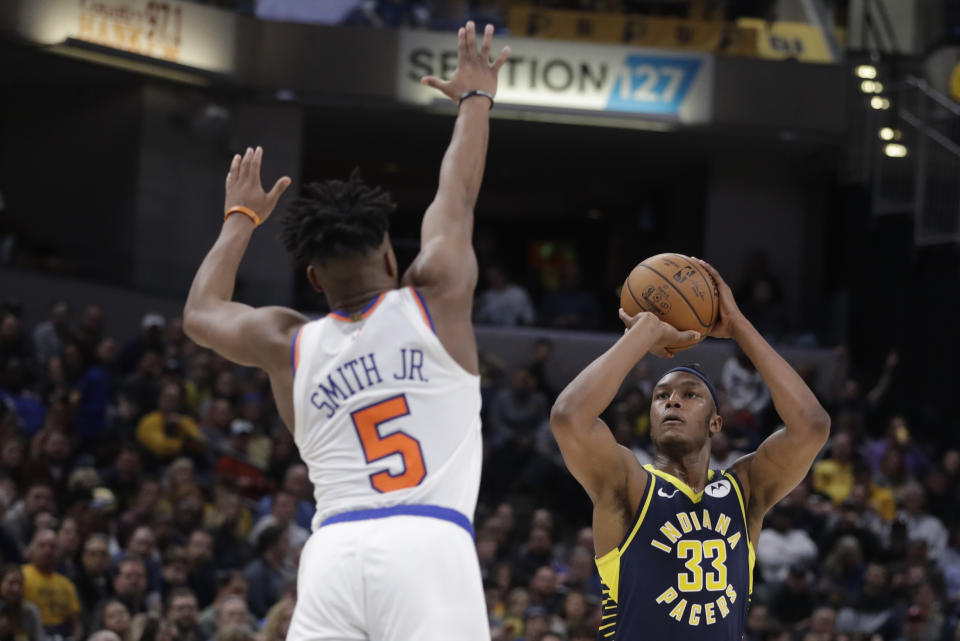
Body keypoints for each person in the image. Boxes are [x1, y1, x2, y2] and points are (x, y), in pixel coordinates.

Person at [181, 20, 509, 641]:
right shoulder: (434, 297)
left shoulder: (288, 343)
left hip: (331, 552)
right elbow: (456, 195)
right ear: (391, 260)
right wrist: (475, 99)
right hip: (428, 542)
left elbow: (200, 314)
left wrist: (239, 220)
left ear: (312, 278)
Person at [549, 258, 830, 640]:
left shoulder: (743, 491)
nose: (672, 402)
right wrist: (644, 332)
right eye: (661, 396)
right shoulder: (630, 485)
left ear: (716, 423)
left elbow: (812, 426)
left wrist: (739, 328)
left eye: (690, 395)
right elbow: (569, 417)